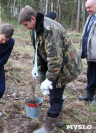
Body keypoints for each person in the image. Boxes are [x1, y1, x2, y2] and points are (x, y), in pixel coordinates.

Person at [18, 5, 82, 133]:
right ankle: (57, 118)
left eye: (26, 24)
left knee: (55, 95)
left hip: (64, 67)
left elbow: (55, 58)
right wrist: (36, 65)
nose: (25, 28)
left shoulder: (50, 30)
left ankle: (49, 127)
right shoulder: (36, 28)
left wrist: (49, 78)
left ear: (33, 19)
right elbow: (38, 49)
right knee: (53, 93)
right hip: (53, 64)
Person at [78, 0, 96, 106]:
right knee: (90, 73)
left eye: (90, 7)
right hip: (91, 53)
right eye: (87, 8)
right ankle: (89, 94)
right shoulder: (90, 17)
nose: (88, 10)